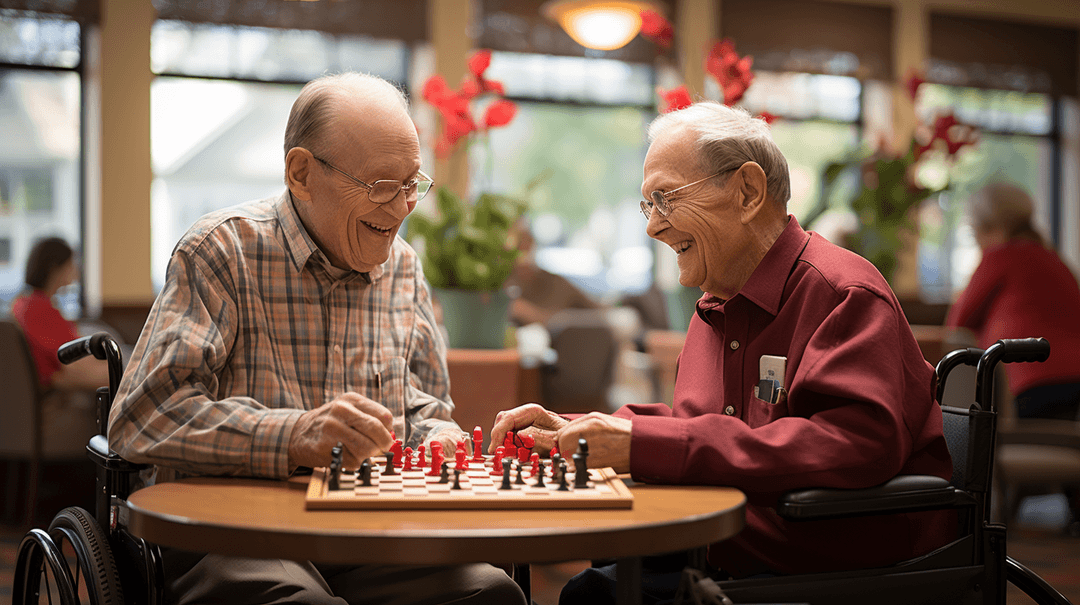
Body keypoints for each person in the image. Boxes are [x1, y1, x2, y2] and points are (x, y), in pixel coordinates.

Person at [489, 101, 955, 604]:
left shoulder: (842, 293)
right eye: (649, 205)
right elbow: (710, 426)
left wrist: (644, 445)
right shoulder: (716, 306)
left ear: (748, 193)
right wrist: (579, 427)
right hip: (737, 545)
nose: (652, 227)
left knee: (593, 594)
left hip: (829, 566)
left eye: (664, 198)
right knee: (594, 583)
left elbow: (855, 446)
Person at [108, 73, 527, 605]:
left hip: (367, 534)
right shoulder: (222, 250)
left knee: (493, 593)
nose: (401, 208)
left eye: (411, 185)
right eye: (380, 186)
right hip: (236, 532)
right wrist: (293, 437)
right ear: (301, 172)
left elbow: (421, 404)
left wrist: (434, 434)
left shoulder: (404, 268)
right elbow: (142, 416)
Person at [946, 182, 1080, 421]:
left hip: (1032, 386)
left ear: (987, 228)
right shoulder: (1054, 259)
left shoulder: (1001, 256)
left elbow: (956, 325)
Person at [12, 236, 109, 390]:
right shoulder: (38, 309)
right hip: (56, 388)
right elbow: (74, 365)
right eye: (71, 264)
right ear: (55, 268)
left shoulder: (24, 303)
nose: (76, 270)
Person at [505, 219, 603, 326]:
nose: (524, 246)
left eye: (526, 239)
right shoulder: (499, 285)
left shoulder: (554, 283)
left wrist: (525, 311)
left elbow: (598, 311)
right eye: (519, 241)